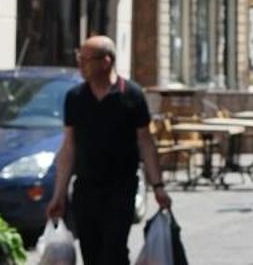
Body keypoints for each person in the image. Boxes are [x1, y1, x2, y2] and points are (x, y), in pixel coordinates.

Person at [48, 37, 172, 265]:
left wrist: (158, 186)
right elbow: (69, 146)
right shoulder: (75, 97)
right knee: (91, 253)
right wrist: (59, 194)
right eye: (79, 58)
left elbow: (145, 142)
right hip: (86, 189)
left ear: (106, 61)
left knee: (113, 250)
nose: (81, 65)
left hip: (121, 188)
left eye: (86, 60)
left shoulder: (132, 95)